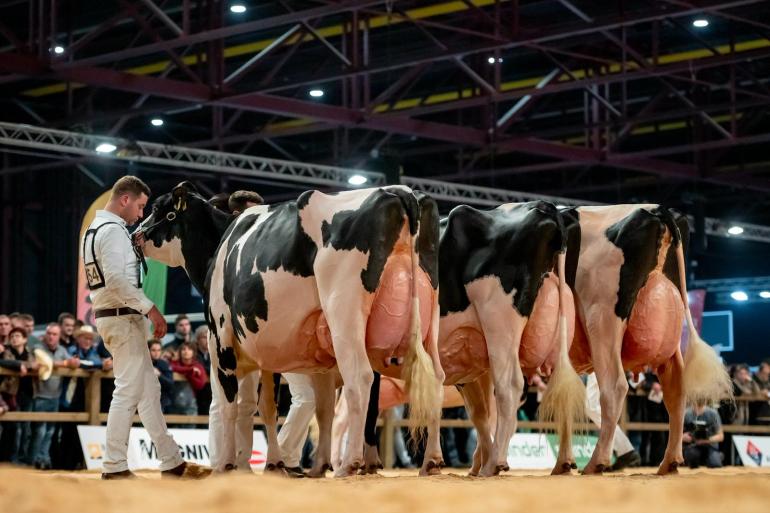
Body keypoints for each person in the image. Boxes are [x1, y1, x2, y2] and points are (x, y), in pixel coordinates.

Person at [83, 175, 209, 480]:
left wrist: (135, 247)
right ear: (125, 199)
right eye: (140, 206)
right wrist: (150, 308)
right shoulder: (112, 231)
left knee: (149, 391)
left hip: (117, 316)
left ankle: (171, 461)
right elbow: (116, 280)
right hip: (122, 316)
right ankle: (114, 466)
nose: (141, 214)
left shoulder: (97, 230)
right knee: (127, 390)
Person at [31, 323, 77, 470]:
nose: (51, 337)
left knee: (50, 431)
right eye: (49, 333)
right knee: (39, 431)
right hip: (40, 396)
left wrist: (74, 362)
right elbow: (45, 362)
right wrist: (66, 363)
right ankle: (33, 460)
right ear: (45, 335)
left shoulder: (62, 350)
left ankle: (44, 459)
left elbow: (72, 362)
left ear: (59, 336)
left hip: (55, 397)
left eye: (54, 334)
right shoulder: (38, 348)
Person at [584, 373, 642, 471]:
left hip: (599, 367)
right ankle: (607, 458)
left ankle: (623, 450)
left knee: (591, 407)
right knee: (601, 408)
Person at [0, 327, 38, 463]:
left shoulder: (31, 353)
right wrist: (19, 365)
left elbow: (37, 365)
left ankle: (23, 457)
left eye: (17, 336)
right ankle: (13, 457)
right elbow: (3, 362)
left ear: (25, 339)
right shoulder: (6, 352)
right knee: (15, 428)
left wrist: (26, 365)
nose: (14, 338)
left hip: (28, 393)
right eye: (12, 336)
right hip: (11, 394)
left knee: (26, 428)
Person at [169, 342, 208, 418]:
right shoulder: (175, 363)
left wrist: (188, 375)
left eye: (189, 349)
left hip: (190, 405)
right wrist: (190, 370)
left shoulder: (198, 366)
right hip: (173, 404)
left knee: (191, 425)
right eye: (183, 349)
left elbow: (200, 385)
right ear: (180, 352)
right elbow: (171, 367)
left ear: (194, 352)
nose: (186, 351)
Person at [683, 400, 724, 469]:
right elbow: (678, 435)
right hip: (693, 446)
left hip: (710, 446)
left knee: (715, 464)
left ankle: (717, 456)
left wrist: (706, 440)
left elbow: (721, 436)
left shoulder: (713, 413)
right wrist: (683, 437)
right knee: (691, 456)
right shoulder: (686, 413)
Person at [148, 340, 174, 413]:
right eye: (153, 350)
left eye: (159, 350)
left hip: (161, 401)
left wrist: (159, 375)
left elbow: (171, 384)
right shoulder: (141, 363)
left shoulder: (164, 364)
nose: (156, 353)